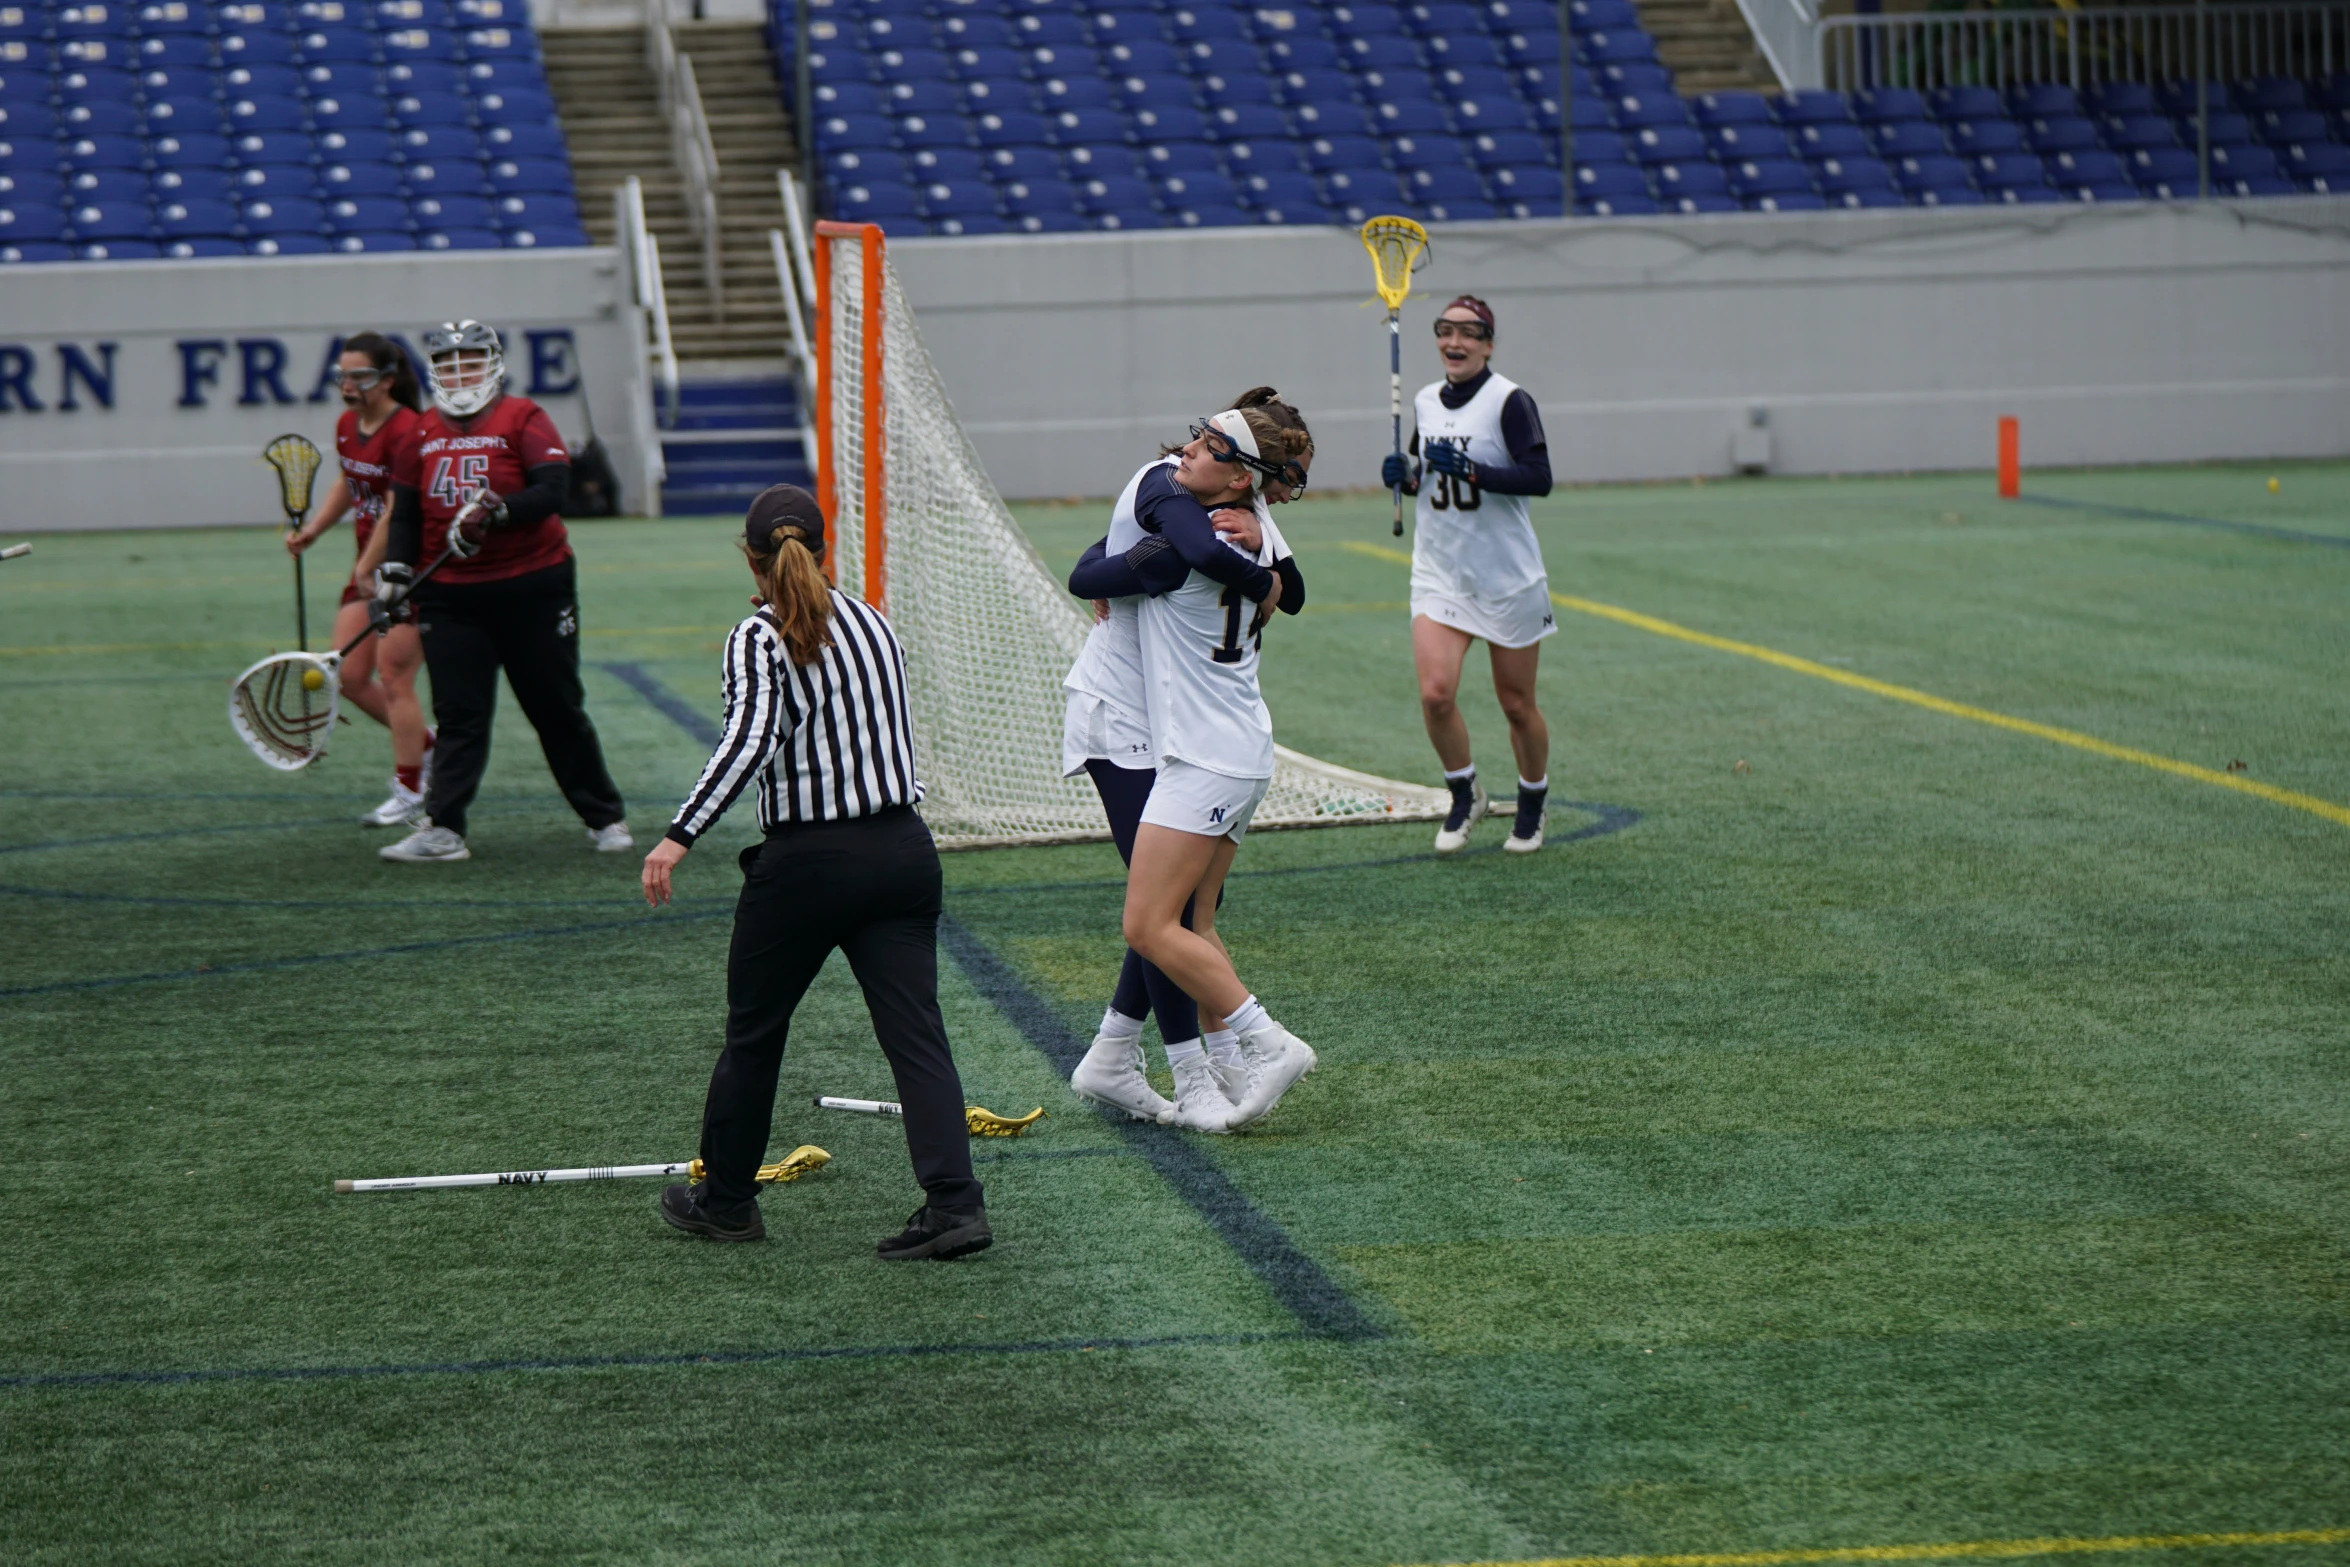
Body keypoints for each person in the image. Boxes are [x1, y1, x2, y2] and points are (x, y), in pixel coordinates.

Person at [641, 485, 990, 1260]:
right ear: (825, 552)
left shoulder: (758, 635)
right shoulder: (874, 623)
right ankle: (955, 1203)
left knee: (755, 1036)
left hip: (808, 865)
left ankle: (727, 1200)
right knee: (917, 1037)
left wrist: (678, 836)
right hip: (903, 850)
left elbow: (748, 739)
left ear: (753, 559)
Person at [1061, 391, 1311, 1132]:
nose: (1187, 449)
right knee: (1171, 912)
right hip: (1133, 716)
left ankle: (1180, 1055)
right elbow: (1101, 570)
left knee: (1168, 913)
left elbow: (1112, 569)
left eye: (1288, 487)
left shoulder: (1230, 522)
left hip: (1188, 735)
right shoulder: (1175, 491)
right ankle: (1196, 1065)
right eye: (1284, 480)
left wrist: (1255, 560)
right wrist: (1262, 576)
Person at [372, 320, 631, 865]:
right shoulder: (419, 432)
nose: (460, 371)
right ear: (434, 370)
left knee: (554, 706)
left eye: (471, 359)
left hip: (533, 585)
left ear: (491, 363)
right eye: (449, 362)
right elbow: (407, 513)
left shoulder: (524, 416)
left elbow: (554, 490)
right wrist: (395, 572)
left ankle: (604, 814)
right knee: (459, 713)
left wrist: (500, 511)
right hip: (450, 593)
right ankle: (443, 828)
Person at [1381, 294, 1557, 855]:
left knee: (1516, 703)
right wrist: (1404, 477)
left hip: (1507, 576)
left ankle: (1531, 802)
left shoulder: (1510, 401)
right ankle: (1466, 793)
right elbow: (1425, 476)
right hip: (1440, 572)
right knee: (1435, 695)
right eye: (1445, 330)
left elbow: (1539, 477)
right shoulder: (1427, 401)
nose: (1454, 342)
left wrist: (1477, 472)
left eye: (1468, 333)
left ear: (1487, 344)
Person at [284, 331, 435, 828]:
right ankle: (431, 748)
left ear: (388, 379)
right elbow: (348, 483)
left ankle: (412, 788)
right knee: (347, 677)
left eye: (360, 376)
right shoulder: (348, 424)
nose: (348, 385)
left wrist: (367, 564)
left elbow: (397, 506)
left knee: (394, 679)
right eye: (342, 376)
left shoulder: (409, 428)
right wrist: (313, 532)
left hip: (404, 571)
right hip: (367, 571)